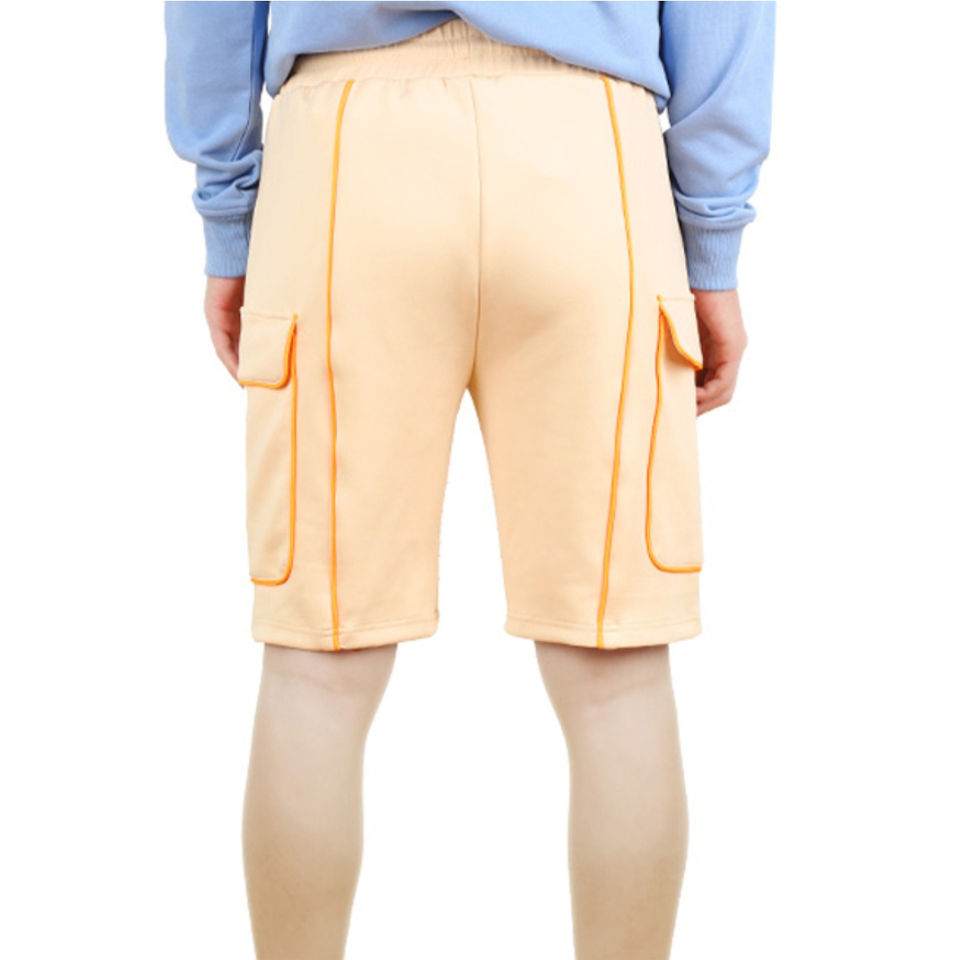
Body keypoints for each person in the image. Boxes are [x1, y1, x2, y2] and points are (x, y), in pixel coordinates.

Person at [164, 3, 775, 958]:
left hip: (345, 153)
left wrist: (230, 211)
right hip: (590, 152)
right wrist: (712, 238)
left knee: (319, 661)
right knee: (614, 667)